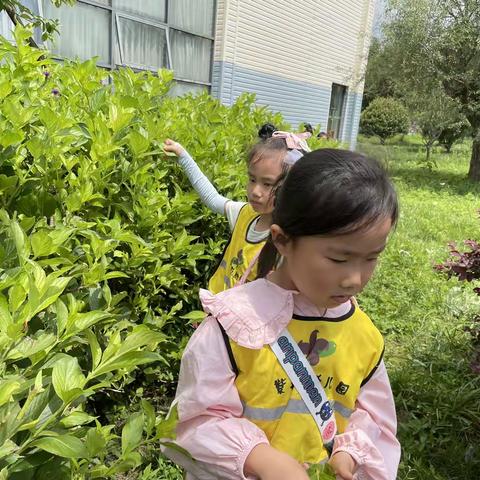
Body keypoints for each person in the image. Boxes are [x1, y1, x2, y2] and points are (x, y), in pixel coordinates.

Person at [162, 149, 401, 480]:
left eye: (371, 258)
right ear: (283, 240)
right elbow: (193, 420)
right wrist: (259, 459)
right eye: (338, 259)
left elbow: (374, 416)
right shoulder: (234, 324)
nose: (355, 279)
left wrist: (350, 451)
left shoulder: (364, 336)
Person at [163, 125, 311, 293]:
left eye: (268, 184)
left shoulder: (288, 244)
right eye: (252, 179)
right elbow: (212, 199)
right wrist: (183, 156)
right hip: (216, 309)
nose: (255, 192)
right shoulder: (245, 214)